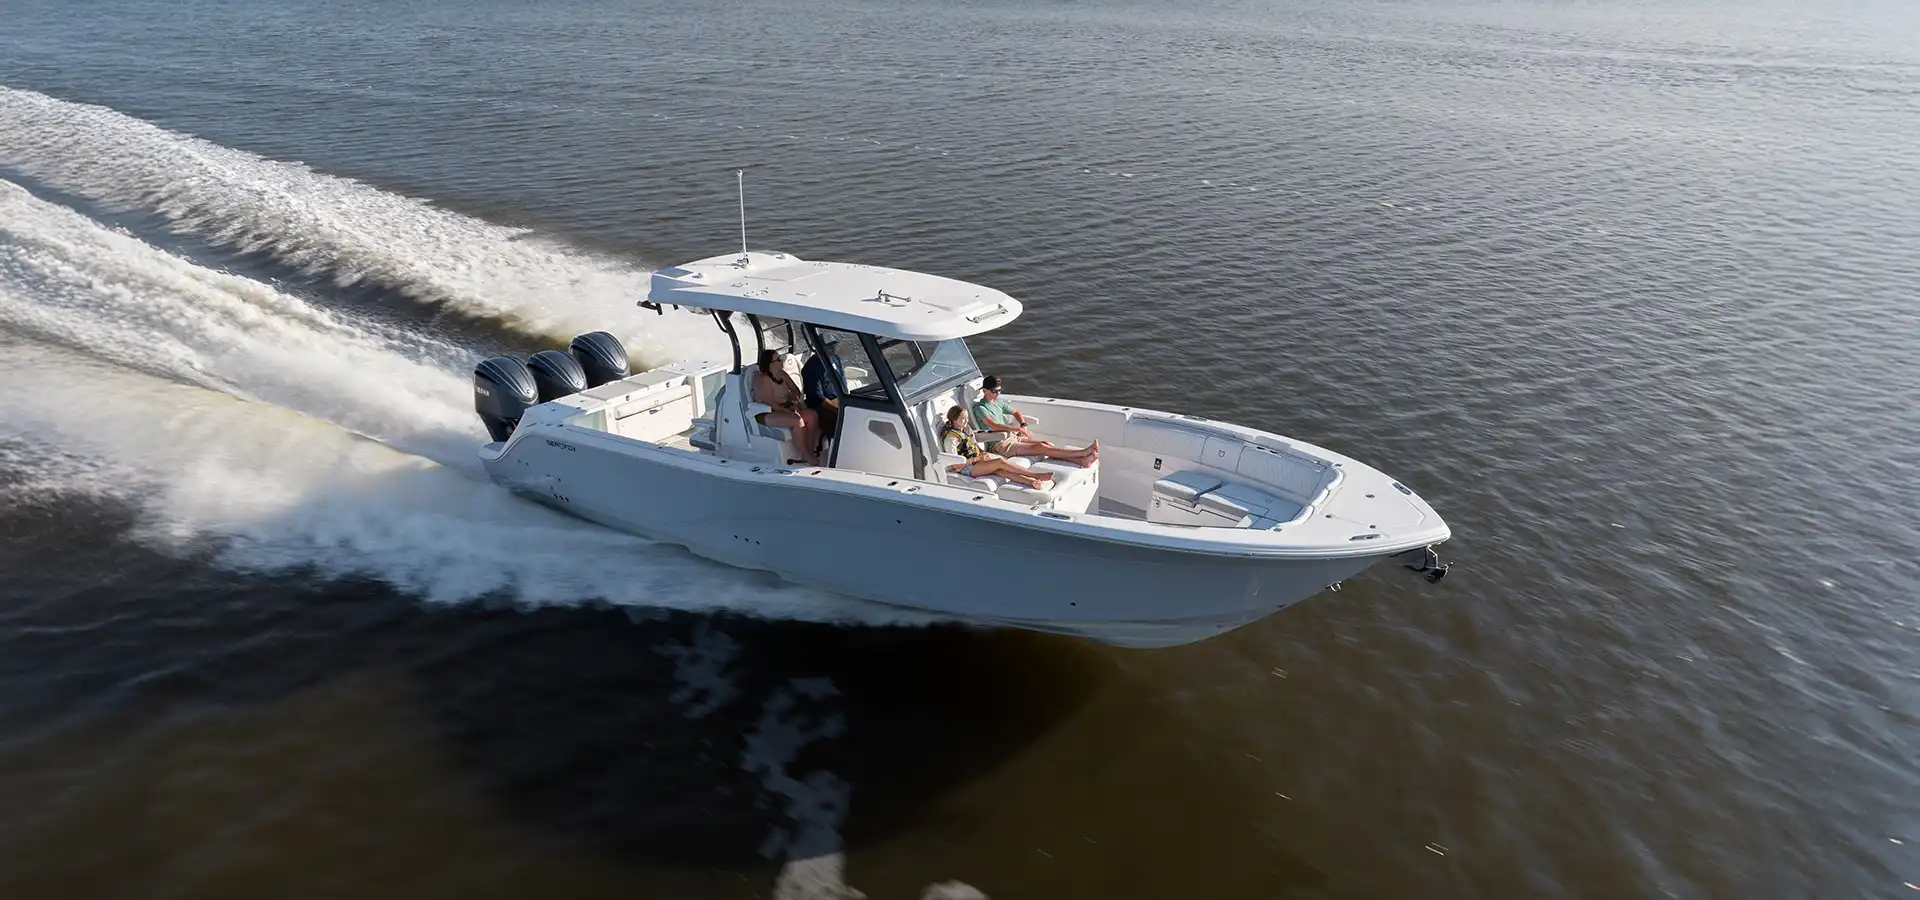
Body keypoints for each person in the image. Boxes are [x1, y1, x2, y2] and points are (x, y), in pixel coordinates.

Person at [970, 374, 1099, 465]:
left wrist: (1023, 424)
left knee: (1046, 443)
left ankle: (1081, 460)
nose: (998, 393)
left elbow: (1016, 412)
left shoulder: (999, 402)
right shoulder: (980, 408)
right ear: (985, 391)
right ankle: (1082, 453)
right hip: (999, 444)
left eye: (999, 390)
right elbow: (993, 425)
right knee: (1040, 447)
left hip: (1012, 437)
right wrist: (1017, 429)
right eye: (994, 391)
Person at [939, 407, 1054, 490]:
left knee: (1001, 471)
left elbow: (973, 446)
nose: (966, 421)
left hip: (977, 461)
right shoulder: (951, 438)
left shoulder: (966, 429)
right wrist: (977, 459)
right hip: (966, 468)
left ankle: (1032, 482)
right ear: (954, 419)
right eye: (963, 419)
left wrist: (983, 454)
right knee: (1000, 462)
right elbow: (955, 465)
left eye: (967, 418)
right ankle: (1035, 475)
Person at [751, 347, 821, 465]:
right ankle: (805, 456)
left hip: (785, 408)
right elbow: (771, 403)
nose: (781, 361)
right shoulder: (762, 379)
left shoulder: (782, 374)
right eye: (778, 360)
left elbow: (795, 390)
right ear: (770, 364)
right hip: (766, 413)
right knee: (797, 420)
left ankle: (809, 452)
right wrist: (789, 411)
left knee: (812, 416)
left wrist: (794, 399)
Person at [800, 338, 842, 457]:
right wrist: (838, 410)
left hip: (839, 399)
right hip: (821, 406)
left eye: (835, 345)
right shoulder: (811, 368)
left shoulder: (835, 359)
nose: (834, 349)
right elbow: (819, 398)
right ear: (820, 349)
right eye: (830, 347)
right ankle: (832, 454)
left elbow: (842, 380)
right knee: (839, 419)